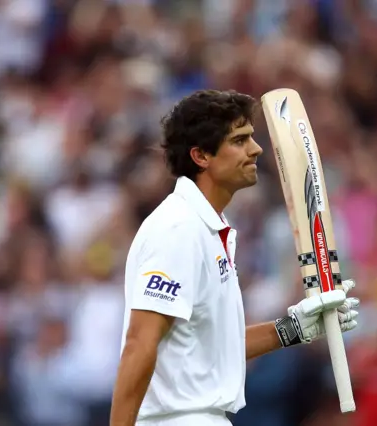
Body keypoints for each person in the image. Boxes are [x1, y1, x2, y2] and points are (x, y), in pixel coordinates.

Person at [109, 90, 360, 426]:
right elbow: (140, 344)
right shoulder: (178, 229)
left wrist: (293, 328)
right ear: (201, 156)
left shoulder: (210, 227)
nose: (256, 149)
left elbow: (211, 350)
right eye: (240, 140)